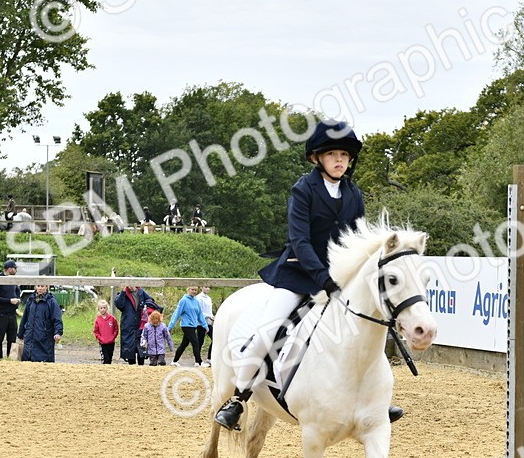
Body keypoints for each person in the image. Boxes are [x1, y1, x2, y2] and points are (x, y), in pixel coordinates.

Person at [214, 119, 402, 429]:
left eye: (344, 155)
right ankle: (238, 398)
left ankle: (373, 398)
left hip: (339, 281)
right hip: (299, 275)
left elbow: (357, 241)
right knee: (268, 331)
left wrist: (351, 279)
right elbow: (300, 241)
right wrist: (322, 278)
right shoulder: (303, 189)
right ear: (317, 157)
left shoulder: (354, 194)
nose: (339, 160)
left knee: (366, 329)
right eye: (332, 155)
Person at [17, 284, 63, 362]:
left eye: (42, 286)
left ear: (47, 287)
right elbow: (25, 318)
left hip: (44, 338)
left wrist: (58, 332)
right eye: (38, 286)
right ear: (35, 287)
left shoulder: (52, 301)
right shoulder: (30, 300)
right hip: (29, 336)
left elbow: (57, 319)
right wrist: (20, 334)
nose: (40, 288)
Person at [114, 284, 159, 364]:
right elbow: (119, 304)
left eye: (131, 284)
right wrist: (123, 292)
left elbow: (151, 301)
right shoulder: (123, 295)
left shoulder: (141, 292)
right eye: (127, 285)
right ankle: (131, 367)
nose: (129, 287)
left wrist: (146, 308)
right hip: (128, 325)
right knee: (129, 349)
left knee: (141, 348)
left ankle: (141, 367)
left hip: (141, 324)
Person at [168, 285, 206, 366]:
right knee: (195, 342)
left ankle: (174, 361)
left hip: (193, 325)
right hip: (186, 325)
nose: (194, 291)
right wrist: (170, 326)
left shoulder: (196, 301)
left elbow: (200, 314)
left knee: (184, 344)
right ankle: (198, 362)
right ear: (188, 290)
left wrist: (204, 325)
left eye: (195, 290)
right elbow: (177, 314)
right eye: (192, 289)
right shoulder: (183, 301)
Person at [0, 260, 21, 360]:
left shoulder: (14, 280)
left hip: (12, 314)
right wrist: (9, 301)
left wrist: (17, 300)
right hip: (1, 314)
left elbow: (17, 291)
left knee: (12, 339)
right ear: (9, 269)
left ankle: (10, 358)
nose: (16, 270)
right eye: (15, 268)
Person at [92, 299, 119, 364]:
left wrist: (113, 336)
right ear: (98, 309)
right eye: (101, 308)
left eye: (104, 308)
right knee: (105, 358)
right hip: (103, 343)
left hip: (111, 342)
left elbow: (116, 328)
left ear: (107, 308)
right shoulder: (98, 320)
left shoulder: (112, 319)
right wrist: (100, 338)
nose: (103, 309)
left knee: (109, 358)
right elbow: (96, 331)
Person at [196, 285, 214, 364]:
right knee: (200, 341)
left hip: (209, 322)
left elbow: (209, 310)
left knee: (215, 338)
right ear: (201, 287)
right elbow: (199, 311)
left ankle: (209, 357)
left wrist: (212, 316)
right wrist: (208, 316)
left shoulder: (209, 298)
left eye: (208, 287)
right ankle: (197, 360)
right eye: (206, 287)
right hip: (200, 323)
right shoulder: (198, 298)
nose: (208, 289)